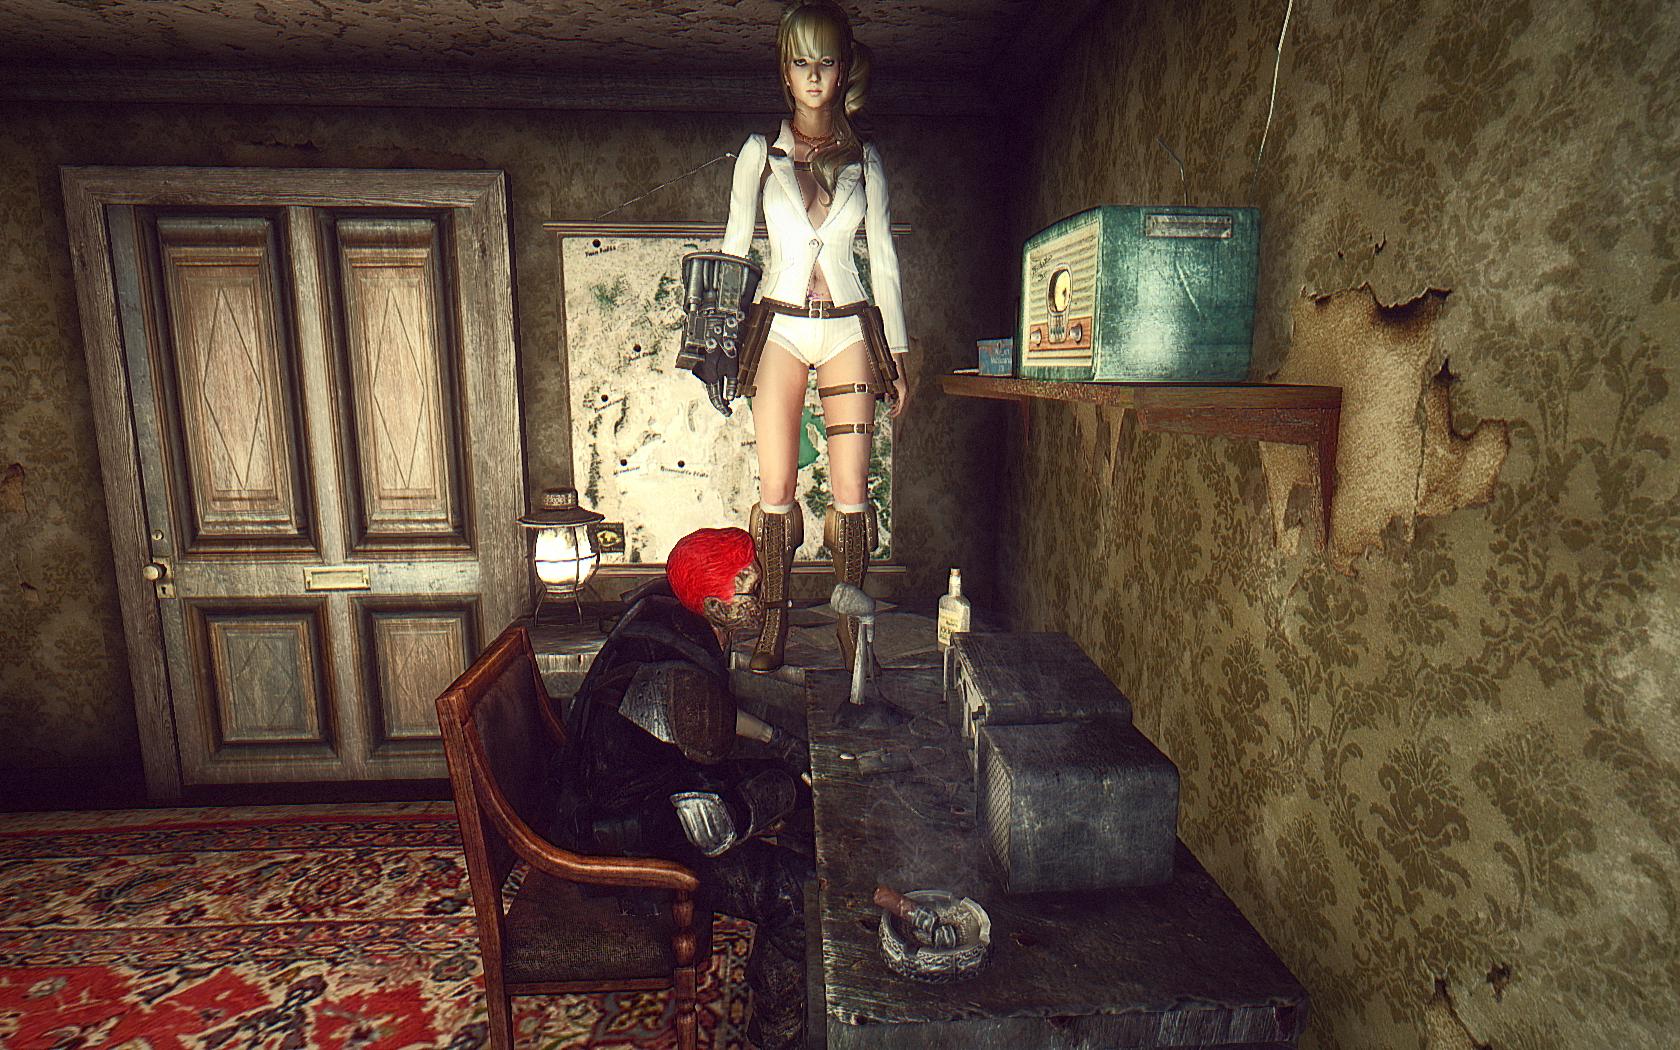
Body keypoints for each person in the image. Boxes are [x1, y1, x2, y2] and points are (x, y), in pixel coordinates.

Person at [565, 526, 811, 1050]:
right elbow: (707, 824)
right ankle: (778, 1035)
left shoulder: (675, 620)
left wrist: (777, 740)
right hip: (630, 839)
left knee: (793, 789)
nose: (761, 595)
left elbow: (707, 715)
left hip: (650, 796)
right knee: (796, 892)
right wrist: (766, 797)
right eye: (747, 587)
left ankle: (783, 974)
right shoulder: (681, 674)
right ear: (713, 603)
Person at [720, 2, 911, 675]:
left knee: (852, 486)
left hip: (848, 328)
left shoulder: (866, 159)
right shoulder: (758, 155)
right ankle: (773, 619)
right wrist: (718, 341)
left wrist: (899, 354)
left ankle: (849, 626)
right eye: (801, 61)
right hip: (779, 325)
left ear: (842, 69)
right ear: (785, 69)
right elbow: (734, 251)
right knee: (776, 484)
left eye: (825, 62)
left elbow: (883, 258)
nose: (812, 75)